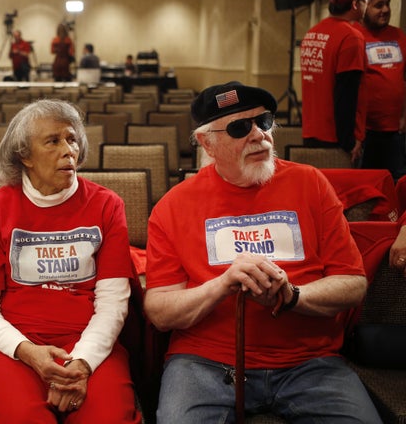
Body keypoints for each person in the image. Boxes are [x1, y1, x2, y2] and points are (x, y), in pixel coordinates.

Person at [144, 81, 381, 423]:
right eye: (240, 128)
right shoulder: (172, 206)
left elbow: (353, 284)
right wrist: (222, 284)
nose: (258, 135)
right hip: (206, 362)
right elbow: (160, 311)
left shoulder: (311, 184)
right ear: (206, 143)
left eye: (264, 122)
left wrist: (292, 295)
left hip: (310, 362)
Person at [0, 99, 142, 424]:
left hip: (86, 339)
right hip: (9, 341)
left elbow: (113, 304)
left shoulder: (106, 206)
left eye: (72, 139)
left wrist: (82, 363)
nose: (68, 150)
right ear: (25, 156)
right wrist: (28, 351)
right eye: (53, 141)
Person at [300, 0, 379, 164]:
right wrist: (349, 142)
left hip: (311, 133)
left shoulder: (313, 33)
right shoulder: (350, 37)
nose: (367, 3)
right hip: (337, 141)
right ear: (354, 4)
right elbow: (346, 94)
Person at [354, 0, 406, 181]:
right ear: (363, 6)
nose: (385, 10)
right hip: (366, 132)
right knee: (369, 187)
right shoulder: (355, 37)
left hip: (396, 131)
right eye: (378, 5)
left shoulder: (399, 36)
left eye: (387, 4)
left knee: (397, 184)